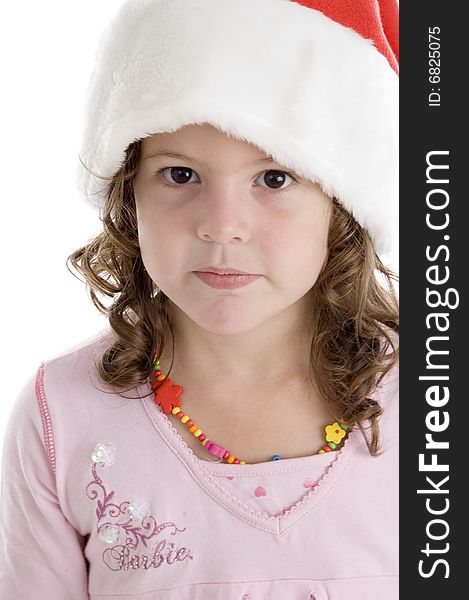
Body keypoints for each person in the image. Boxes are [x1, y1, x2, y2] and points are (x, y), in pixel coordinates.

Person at [0, 0, 399, 598]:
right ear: (128, 193)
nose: (222, 226)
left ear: (342, 203)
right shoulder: (62, 414)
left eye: (275, 177)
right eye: (180, 175)